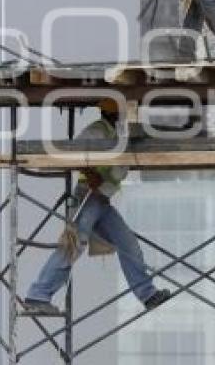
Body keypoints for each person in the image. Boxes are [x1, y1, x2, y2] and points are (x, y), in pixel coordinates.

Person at [23, 107, 170, 314]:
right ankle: (37, 295)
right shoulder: (98, 130)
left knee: (128, 243)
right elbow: (73, 151)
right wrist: (88, 172)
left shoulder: (116, 133)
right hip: (88, 196)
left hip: (102, 201)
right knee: (74, 244)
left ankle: (147, 294)